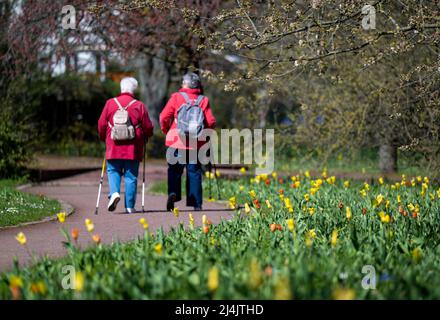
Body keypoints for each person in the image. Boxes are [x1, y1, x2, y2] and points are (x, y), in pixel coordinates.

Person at [159, 72, 216, 211]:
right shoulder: (203, 100)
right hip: (195, 144)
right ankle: (196, 203)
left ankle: (173, 193)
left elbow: (163, 117)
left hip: (176, 142)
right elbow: (211, 121)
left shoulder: (176, 97)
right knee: (194, 172)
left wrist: (167, 130)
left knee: (174, 170)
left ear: (185, 84)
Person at [98, 77, 154, 213]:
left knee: (113, 171)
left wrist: (103, 138)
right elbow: (148, 127)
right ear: (134, 89)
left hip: (113, 146)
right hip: (133, 148)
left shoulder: (110, 103)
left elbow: (101, 124)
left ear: (121, 88)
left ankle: (115, 193)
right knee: (131, 176)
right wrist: (147, 136)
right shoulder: (139, 105)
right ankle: (129, 206)